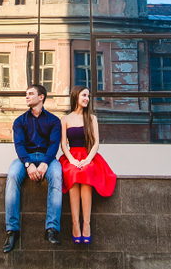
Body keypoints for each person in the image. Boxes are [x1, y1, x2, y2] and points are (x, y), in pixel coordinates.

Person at [3, 84, 63, 253]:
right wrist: (28, 164)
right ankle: (12, 231)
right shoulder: (20, 121)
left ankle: (52, 228)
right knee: (12, 175)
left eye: (30, 94)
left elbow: (54, 144)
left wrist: (45, 163)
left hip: (47, 158)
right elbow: (19, 145)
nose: (27, 96)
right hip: (25, 158)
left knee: (57, 175)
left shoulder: (54, 121)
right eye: (26, 94)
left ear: (41, 97)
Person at [59, 85, 116, 244]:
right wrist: (71, 159)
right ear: (76, 96)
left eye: (88, 96)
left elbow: (96, 143)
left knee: (86, 171)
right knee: (72, 172)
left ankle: (86, 223)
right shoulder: (65, 119)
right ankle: (75, 223)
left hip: (88, 155)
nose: (87, 99)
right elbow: (63, 144)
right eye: (84, 95)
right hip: (72, 156)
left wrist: (88, 159)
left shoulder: (92, 118)